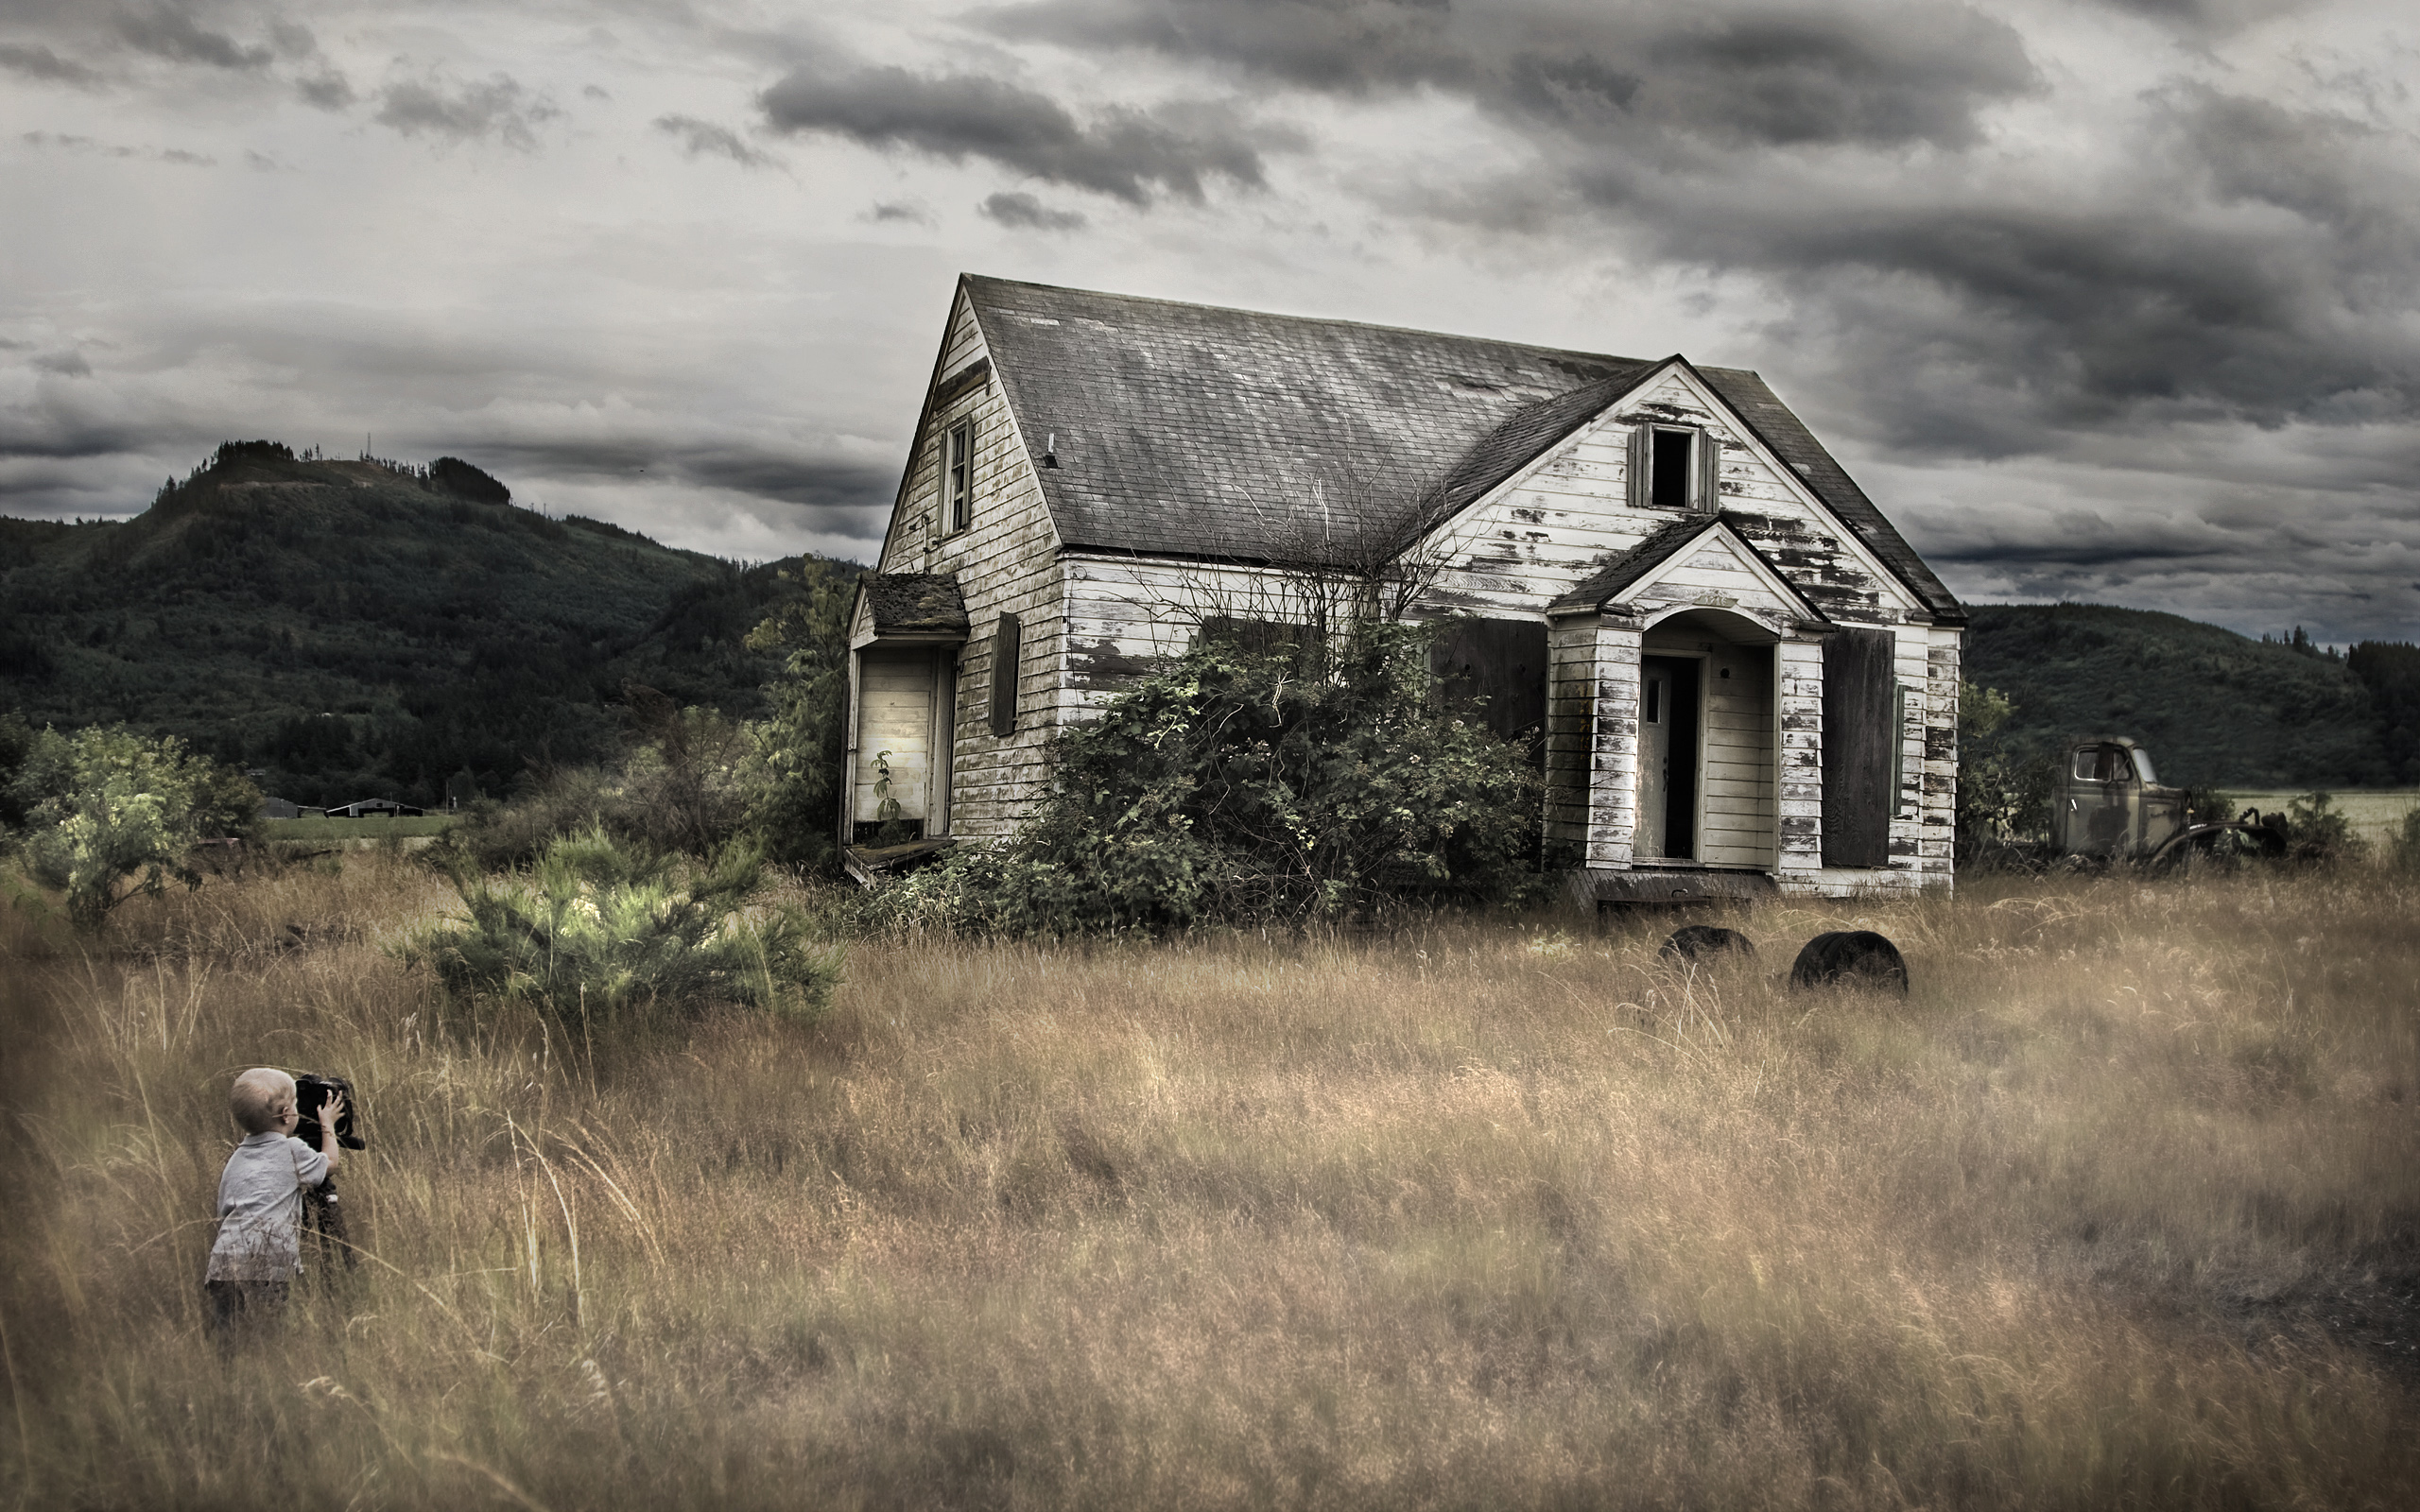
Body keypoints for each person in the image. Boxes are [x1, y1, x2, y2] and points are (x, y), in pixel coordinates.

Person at [203, 1067, 346, 1335]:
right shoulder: (291, 1149)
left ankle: (226, 1369)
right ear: (285, 1114)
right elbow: (330, 1163)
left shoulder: (235, 1158)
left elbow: (223, 1209)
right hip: (269, 1263)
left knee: (227, 1335)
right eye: (295, 1105)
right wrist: (327, 1124)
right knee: (271, 1329)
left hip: (223, 1263)